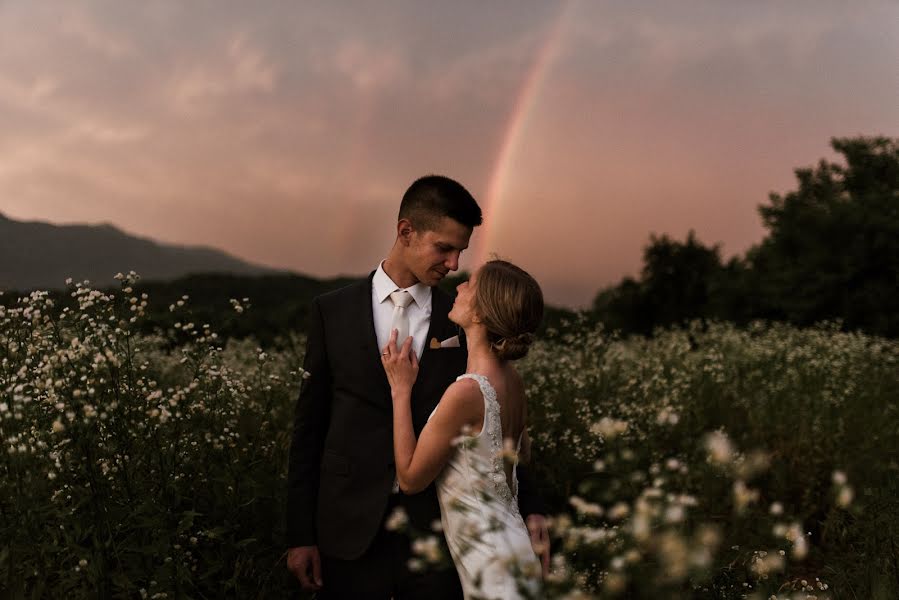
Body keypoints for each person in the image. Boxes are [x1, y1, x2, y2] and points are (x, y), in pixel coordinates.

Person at [286, 175, 548, 599]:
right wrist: (300, 534)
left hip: (437, 531)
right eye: (444, 248)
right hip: (347, 528)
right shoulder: (330, 312)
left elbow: (499, 423)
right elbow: (309, 426)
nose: (453, 264)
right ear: (405, 232)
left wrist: (530, 506)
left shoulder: (469, 316)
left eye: (461, 251)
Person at [381, 259, 544, 599]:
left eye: (469, 285)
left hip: (492, 567)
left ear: (482, 313)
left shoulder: (467, 392)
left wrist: (400, 390)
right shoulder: (512, 382)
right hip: (515, 554)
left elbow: (410, 479)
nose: (458, 287)